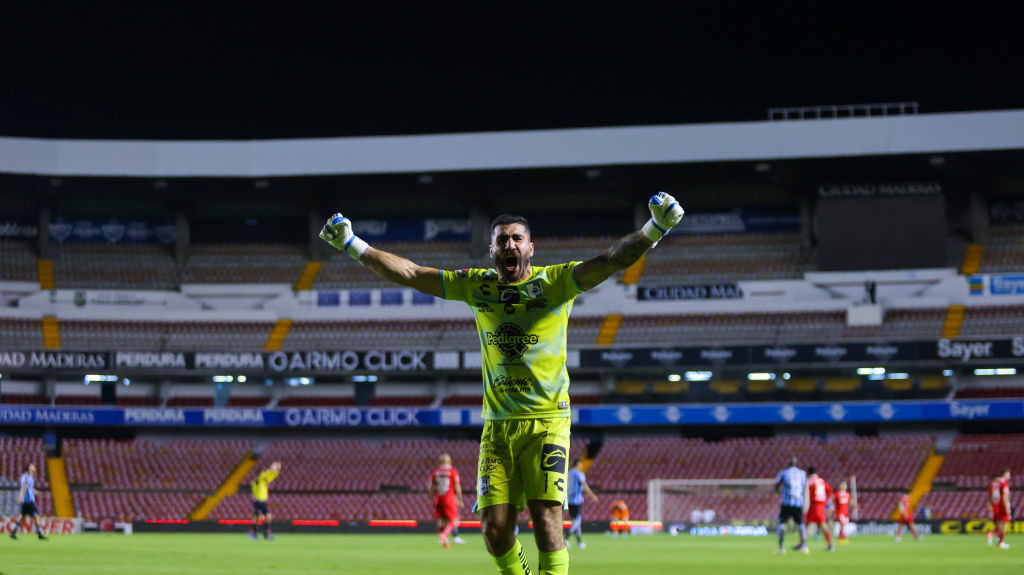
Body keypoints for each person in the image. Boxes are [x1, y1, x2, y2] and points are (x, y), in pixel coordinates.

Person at [320, 192, 685, 575]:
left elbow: (610, 261)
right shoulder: (476, 287)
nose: (509, 245)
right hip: (497, 427)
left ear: (530, 247)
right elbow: (411, 273)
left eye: (516, 238)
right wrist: (351, 243)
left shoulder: (557, 282)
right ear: (491, 250)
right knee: (495, 531)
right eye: (501, 240)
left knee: (547, 519)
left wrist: (654, 229)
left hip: (548, 422)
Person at [430, 453, 465, 549]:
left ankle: (442, 538)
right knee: (454, 519)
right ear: (450, 461)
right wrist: (460, 499)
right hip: (448, 497)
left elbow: (432, 487)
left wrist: (431, 498)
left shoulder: (435, 472)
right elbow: (457, 487)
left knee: (442, 519)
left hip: (438, 498)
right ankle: (444, 535)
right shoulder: (453, 472)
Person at [774, 456, 807, 554]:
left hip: (787, 503)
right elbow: (803, 487)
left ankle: (781, 548)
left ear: (788, 463)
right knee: (800, 523)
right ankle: (804, 546)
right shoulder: (802, 473)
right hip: (798, 503)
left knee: (781, 523)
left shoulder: (784, 473)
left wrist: (780, 491)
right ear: (796, 463)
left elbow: (776, 486)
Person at [565, 459, 598, 548]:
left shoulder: (568, 473)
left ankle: (579, 542)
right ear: (578, 464)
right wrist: (592, 495)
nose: (581, 467)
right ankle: (565, 538)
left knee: (575, 521)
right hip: (576, 500)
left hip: (569, 500)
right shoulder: (579, 474)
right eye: (581, 465)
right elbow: (584, 485)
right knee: (577, 521)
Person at [9, 463, 46, 541]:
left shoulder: (28, 477)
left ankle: (13, 533)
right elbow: (25, 487)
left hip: (26, 501)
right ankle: (40, 534)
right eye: (32, 466)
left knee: (22, 517)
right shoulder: (27, 476)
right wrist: (20, 497)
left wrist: (38, 492)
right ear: (29, 468)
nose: (34, 467)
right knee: (37, 516)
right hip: (28, 501)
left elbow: (30, 489)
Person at [804, 467, 834, 551]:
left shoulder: (810, 480)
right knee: (807, 523)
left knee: (820, 524)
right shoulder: (821, 480)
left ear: (808, 472)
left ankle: (830, 544)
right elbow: (830, 490)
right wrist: (825, 500)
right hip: (820, 505)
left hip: (814, 505)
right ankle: (802, 543)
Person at [249, 461, 281, 541]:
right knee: (259, 518)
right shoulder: (257, 481)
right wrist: (272, 469)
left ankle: (266, 534)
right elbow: (265, 475)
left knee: (268, 517)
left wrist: (277, 470)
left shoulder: (263, 481)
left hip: (263, 502)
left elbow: (271, 477)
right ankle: (253, 533)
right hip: (258, 502)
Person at [986, 468, 1012, 549]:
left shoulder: (993, 483)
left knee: (999, 525)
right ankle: (1001, 542)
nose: (1009, 476)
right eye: (1008, 474)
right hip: (1002, 506)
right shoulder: (1004, 483)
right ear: (1005, 474)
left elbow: (990, 496)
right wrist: (1007, 507)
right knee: (1004, 525)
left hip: (995, 505)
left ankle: (994, 536)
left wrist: (989, 504)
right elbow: (1004, 495)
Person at [832, 479, 856, 543]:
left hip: (846, 513)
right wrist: (833, 510)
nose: (843, 486)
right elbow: (833, 503)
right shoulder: (837, 494)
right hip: (840, 512)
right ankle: (842, 537)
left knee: (843, 525)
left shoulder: (847, 494)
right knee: (842, 524)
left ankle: (840, 538)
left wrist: (855, 506)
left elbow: (851, 502)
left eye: (845, 485)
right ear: (840, 486)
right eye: (842, 484)